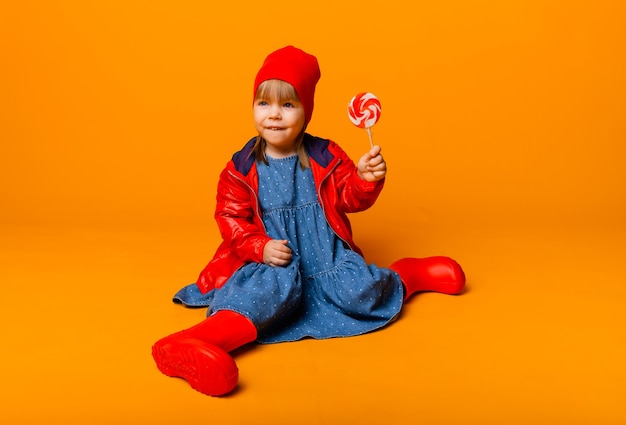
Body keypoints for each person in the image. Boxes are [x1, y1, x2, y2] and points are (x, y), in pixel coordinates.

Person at [151, 45, 466, 396]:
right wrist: (260, 246)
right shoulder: (241, 168)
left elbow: (349, 197)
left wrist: (365, 178)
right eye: (263, 103)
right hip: (274, 264)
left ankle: (410, 274)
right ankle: (194, 343)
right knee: (260, 299)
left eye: (287, 105)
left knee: (360, 292)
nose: (274, 115)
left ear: (306, 111)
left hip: (325, 259)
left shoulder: (325, 155)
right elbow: (230, 218)